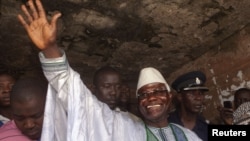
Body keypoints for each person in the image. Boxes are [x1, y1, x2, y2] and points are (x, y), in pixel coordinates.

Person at [17, 0, 202, 140]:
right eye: (144, 95)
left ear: (169, 96)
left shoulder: (189, 136)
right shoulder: (121, 127)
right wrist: (50, 49)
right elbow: (78, 98)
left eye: (157, 91)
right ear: (138, 103)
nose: (151, 98)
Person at [168, 71, 209, 141]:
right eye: (192, 94)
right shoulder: (167, 123)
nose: (198, 98)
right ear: (180, 96)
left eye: (201, 93)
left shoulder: (205, 127)